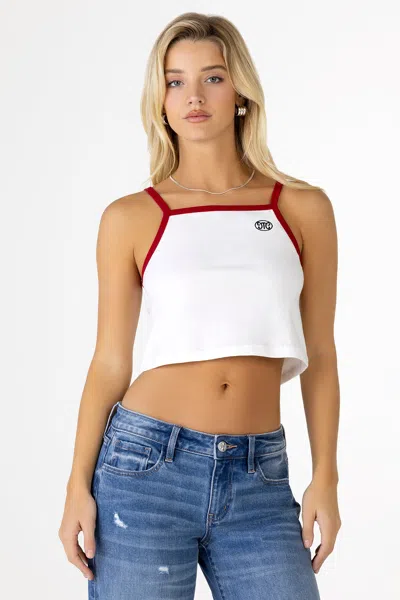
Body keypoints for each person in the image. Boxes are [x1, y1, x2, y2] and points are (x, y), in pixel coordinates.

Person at [59, 11, 341, 600]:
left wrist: (326, 478)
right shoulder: (131, 217)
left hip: (260, 475)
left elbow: (320, 354)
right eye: (175, 81)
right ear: (159, 101)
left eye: (213, 77)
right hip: (144, 471)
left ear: (240, 92)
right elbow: (109, 362)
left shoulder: (302, 208)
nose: (194, 96)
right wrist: (76, 486)